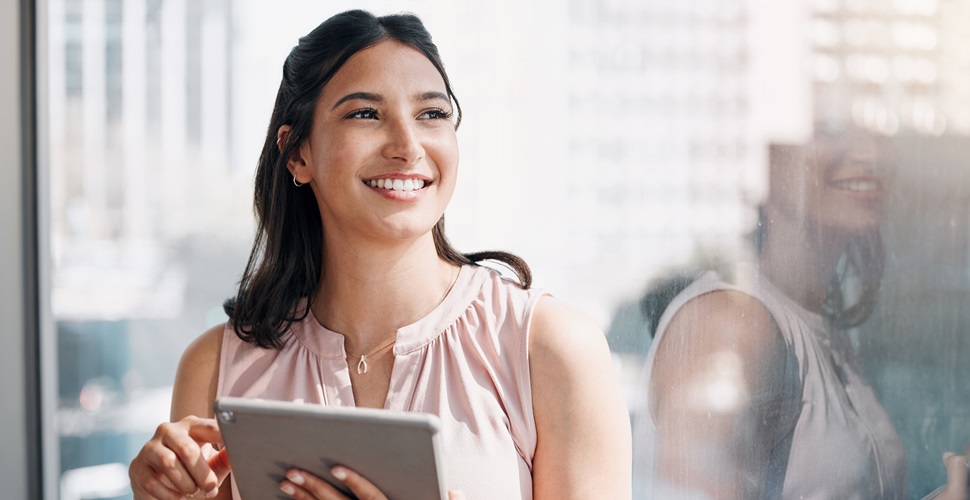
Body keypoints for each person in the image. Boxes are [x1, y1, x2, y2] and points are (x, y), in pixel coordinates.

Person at [127, 10, 631, 500]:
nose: (408, 146)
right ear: (297, 153)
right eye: (365, 113)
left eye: (432, 114)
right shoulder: (216, 367)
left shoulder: (551, 349)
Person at [631, 124, 969, 499]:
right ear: (759, 161)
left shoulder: (817, 329)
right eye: (828, 128)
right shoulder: (732, 326)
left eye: (878, 132)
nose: (869, 154)